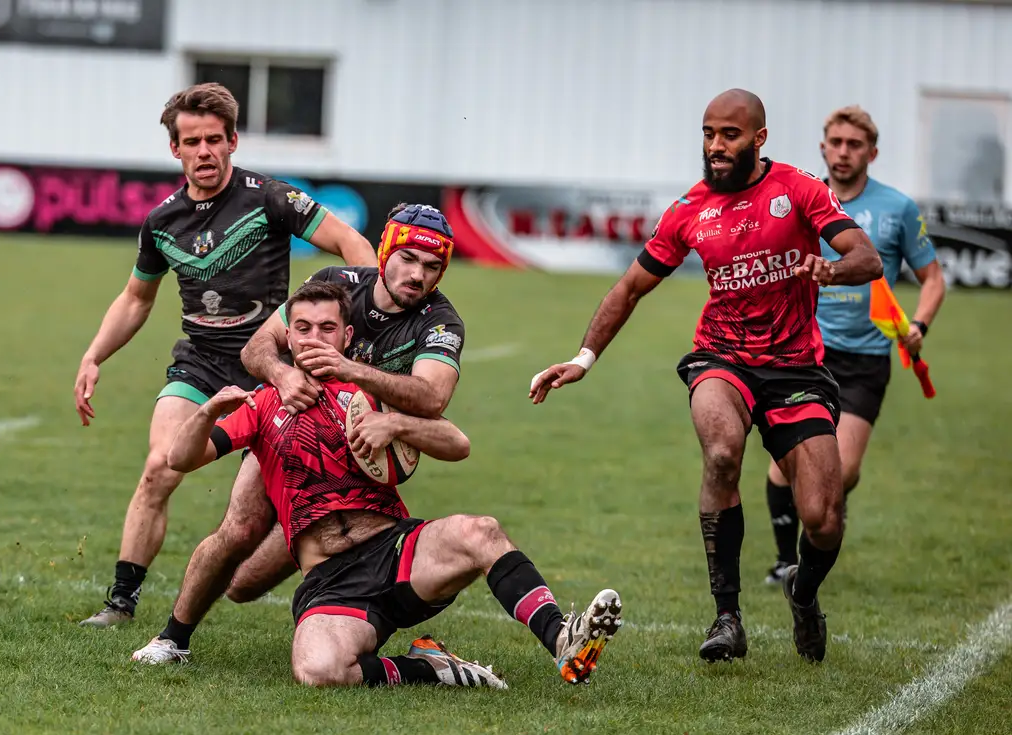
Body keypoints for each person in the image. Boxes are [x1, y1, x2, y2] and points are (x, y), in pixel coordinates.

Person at [529, 89, 882, 663]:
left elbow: (868, 258)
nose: (716, 145)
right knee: (721, 452)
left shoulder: (799, 189)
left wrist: (832, 269)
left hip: (795, 368)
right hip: (722, 358)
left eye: (729, 135)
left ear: (759, 139)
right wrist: (583, 357)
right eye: (708, 133)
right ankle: (727, 617)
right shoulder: (690, 209)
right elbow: (630, 287)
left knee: (823, 519)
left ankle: (803, 591)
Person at [168, 279, 623, 688]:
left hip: (397, 551)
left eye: (327, 329)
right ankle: (431, 668)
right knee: (318, 670)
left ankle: (563, 638)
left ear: (347, 337)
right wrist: (207, 412)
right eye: (302, 328)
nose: (314, 339)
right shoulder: (263, 404)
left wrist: (397, 425)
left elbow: (458, 443)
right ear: (287, 336)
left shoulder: (374, 393)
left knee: (480, 531)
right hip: (330, 579)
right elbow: (182, 458)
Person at [73, 82, 375, 627]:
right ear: (175, 149)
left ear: (233, 141)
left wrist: (360, 326)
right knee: (160, 466)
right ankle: (121, 602)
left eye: (214, 139)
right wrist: (94, 355)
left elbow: (352, 245)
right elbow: (137, 298)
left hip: (272, 368)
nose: (205, 151)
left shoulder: (269, 198)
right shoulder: (162, 221)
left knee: (264, 518)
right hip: (200, 362)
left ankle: (342, 599)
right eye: (192, 142)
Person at [131, 203, 467, 664]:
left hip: (356, 448)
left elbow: (433, 399)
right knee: (240, 545)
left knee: (258, 578)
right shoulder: (337, 285)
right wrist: (283, 375)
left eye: (432, 266)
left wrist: (350, 371)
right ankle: (173, 639)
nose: (417, 274)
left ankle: (346, 599)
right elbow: (257, 348)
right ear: (385, 251)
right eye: (407, 258)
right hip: (289, 423)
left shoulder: (439, 320)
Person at [762, 105, 944, 584]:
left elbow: (933, 278)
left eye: (855, 144)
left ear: (872, 153)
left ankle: (820, 531)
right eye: (836, 143)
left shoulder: (897, 208)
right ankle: (784, 563)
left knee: (838, 474)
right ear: (823, 148)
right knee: (784, 467)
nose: (843, 152)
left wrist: (919, 325)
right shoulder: (799, 199)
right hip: (803, 352)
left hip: (865, 360)